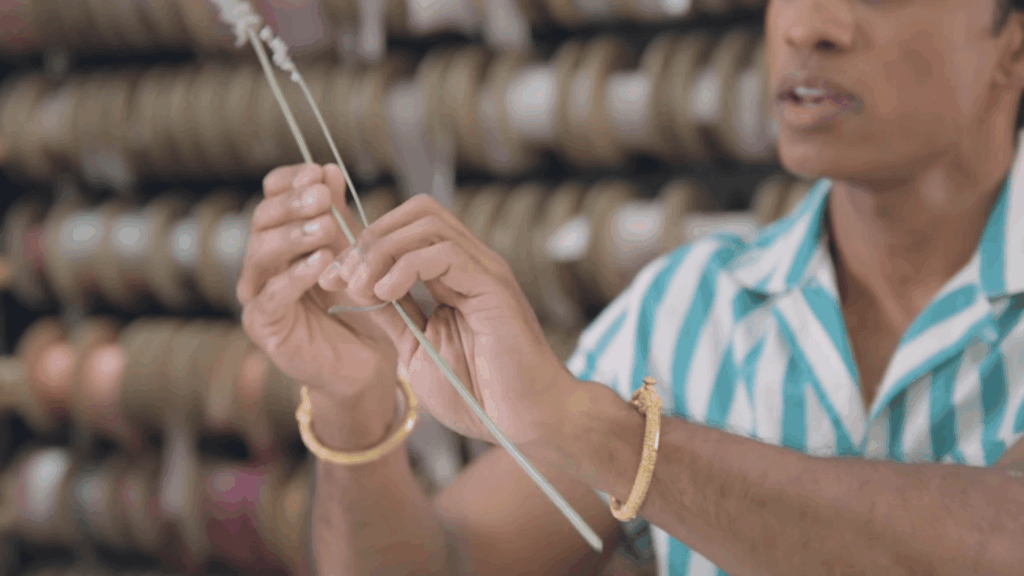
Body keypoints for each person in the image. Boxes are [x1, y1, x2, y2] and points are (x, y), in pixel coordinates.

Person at [236, 0, 1024, 574]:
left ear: (1012, 48)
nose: (806, 25)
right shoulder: (683, 307)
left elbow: (999, 540)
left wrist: (588, 426)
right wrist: (354, 403)